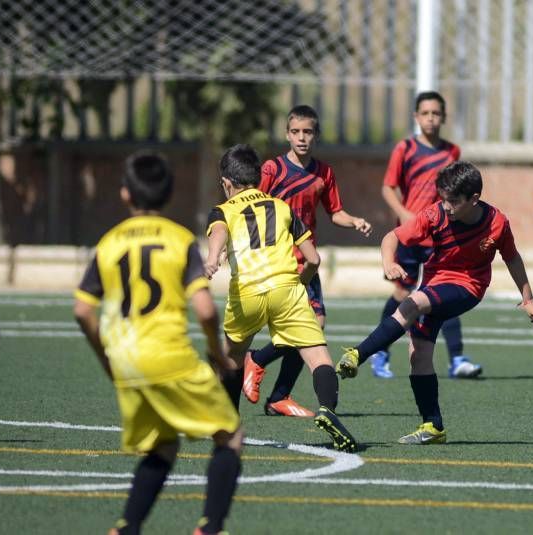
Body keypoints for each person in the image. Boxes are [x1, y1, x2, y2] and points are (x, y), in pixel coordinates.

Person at [73, 152, 243, 535]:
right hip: (169, 357)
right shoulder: (179, 239)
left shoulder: (109, 243)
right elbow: (204, 310)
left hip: (127, 362)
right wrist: (218, 355)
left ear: (124, 194)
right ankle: (211, 528)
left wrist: (107, 359)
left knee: (163, 445)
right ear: (168, 196)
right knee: (230, 436)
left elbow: (83, 311)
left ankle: (127, 527)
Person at [337, 161, 533, 444]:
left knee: (412, 304)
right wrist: (389, 263)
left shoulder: (497, 223)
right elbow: (392, 237)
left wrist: (528, 298)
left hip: (468, 288)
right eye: (443, 199)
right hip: (434, 283)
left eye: (453, 202)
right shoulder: (435, 214)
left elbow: (511, 257)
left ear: (474, 199)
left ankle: (358, 354)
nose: (446, 206)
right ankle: (433, 426)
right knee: (418, 355)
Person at [204, 143, 357, 453]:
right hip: (288, 289)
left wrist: (212, 256)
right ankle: (327, 409)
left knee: (231, 357)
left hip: (247, 291)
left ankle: (229, 421)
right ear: (260, 179)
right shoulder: (282, 206)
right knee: (318, 357)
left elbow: (219, 231)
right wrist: (298, 285)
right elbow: (313, 259)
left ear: (226, 183)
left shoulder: (224, 209)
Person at [242, 105, 372, 418]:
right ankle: (259, 364)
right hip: (279, 263)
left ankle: (276, 392)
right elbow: (253, 206)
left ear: (316, 135)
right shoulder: (273, 170)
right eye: (296, 132)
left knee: (315, 326)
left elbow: (335, 211)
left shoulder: (324, 172)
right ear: (287, 134)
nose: (302, 138)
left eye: (308, 132)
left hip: (307, 263)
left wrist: (353, 220)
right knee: (310, 329)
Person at [370, 91, 483, 379]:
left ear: (443, 117)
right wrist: (405, 213)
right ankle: (380, 353)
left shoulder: (451, 152)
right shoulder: (405, 149)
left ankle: (457, 358)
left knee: (446, 291)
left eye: (436, 113)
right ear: (416, 117)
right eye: (425, 113)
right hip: (410, 235)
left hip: (440, 235)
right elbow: (387, 187)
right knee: (401, 293)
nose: (431, 118)